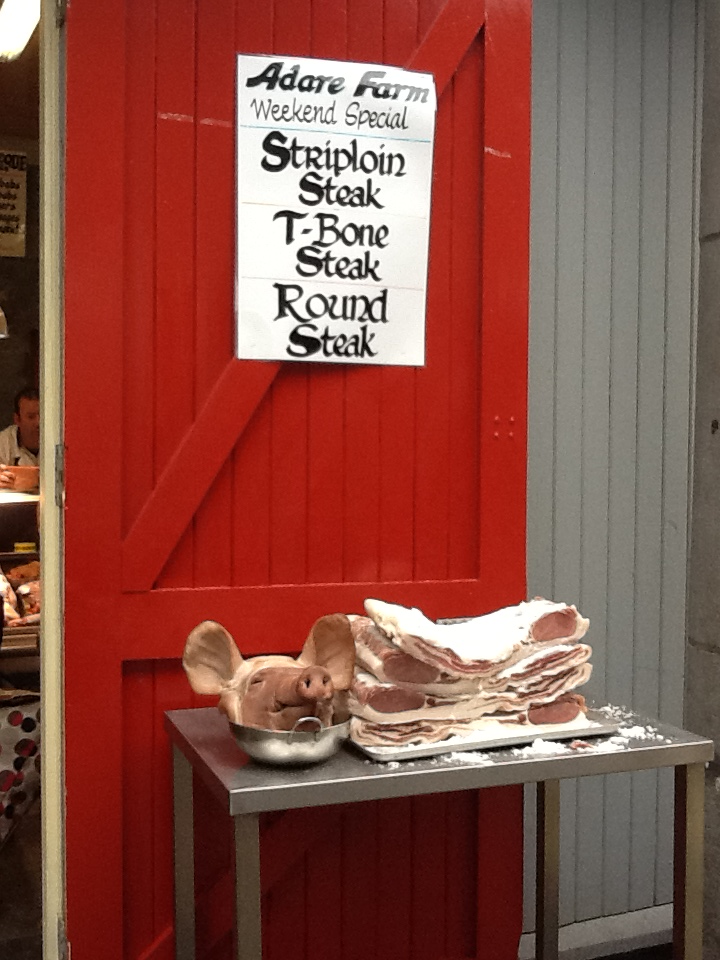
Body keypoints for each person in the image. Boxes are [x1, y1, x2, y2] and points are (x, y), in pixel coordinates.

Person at [0, 387, 40, 492]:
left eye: (42, 415)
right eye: (31, 417)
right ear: (17, 419)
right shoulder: (3, 443)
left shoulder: (58, 440)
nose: (38, 423)